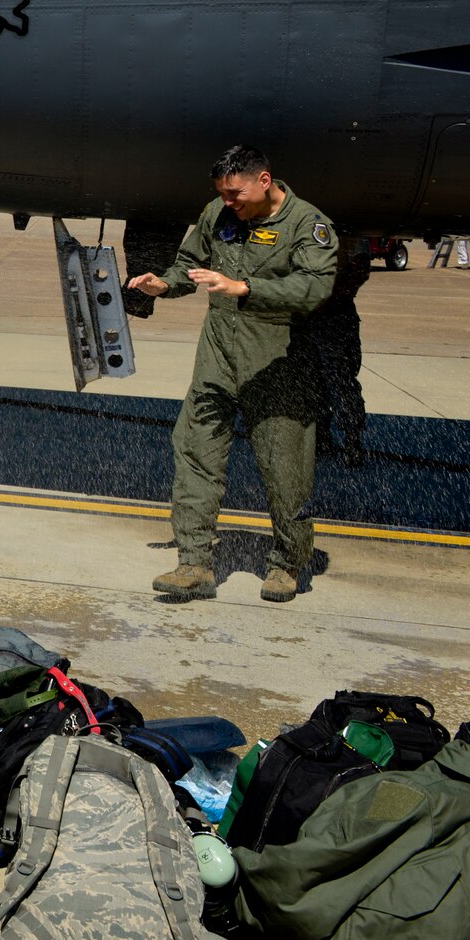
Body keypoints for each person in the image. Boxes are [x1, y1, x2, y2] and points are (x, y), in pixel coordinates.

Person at [127, 145, 338, 603]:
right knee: (195, 451)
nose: (229, 203)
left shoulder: (307, 224)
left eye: (236, 194)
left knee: (285, 469)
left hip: (279, 360)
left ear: (265, 180)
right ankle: (194, 562)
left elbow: (315, 286)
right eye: (222, 194)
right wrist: (164, 284)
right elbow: (191, 265)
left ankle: (286, 562)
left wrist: (247, 288)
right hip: (218, 355)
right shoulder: (218, 212)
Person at [298, 239, 371, 467]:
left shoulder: (349, 233)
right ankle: (321, 437)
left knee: (340, 379)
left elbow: (360, 268)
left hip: (335, 313)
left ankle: (352, 440)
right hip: (313, 312)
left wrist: (332, 295)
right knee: (312, 379)